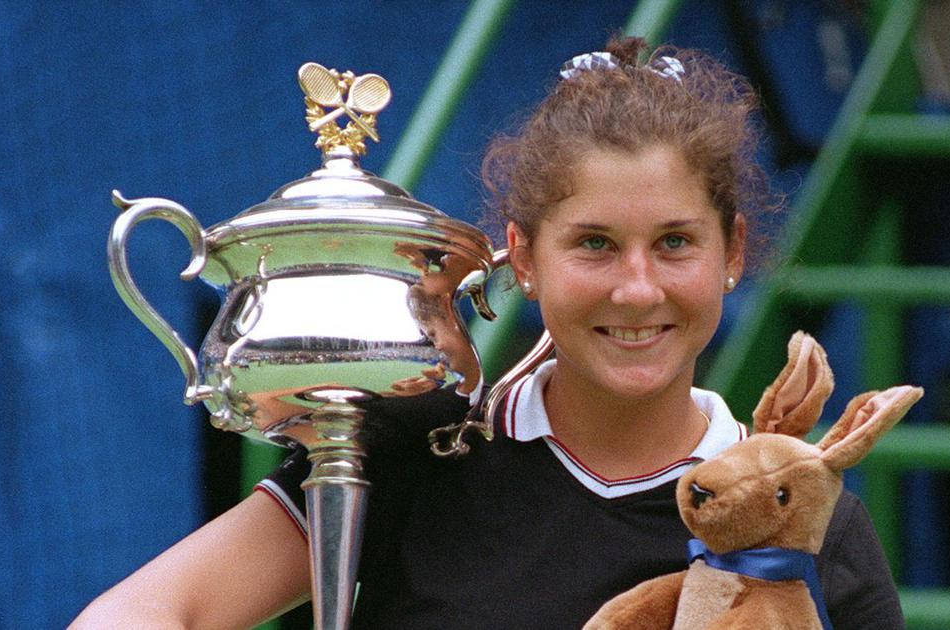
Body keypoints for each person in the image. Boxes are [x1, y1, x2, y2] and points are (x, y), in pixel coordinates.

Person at [73, 37, 903, 629]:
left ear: (734, 254)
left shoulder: (799, 511)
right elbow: (147, 611)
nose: (638, 286)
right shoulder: (419, 449)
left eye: (676, 243)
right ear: (524, 259)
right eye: (595, 244)